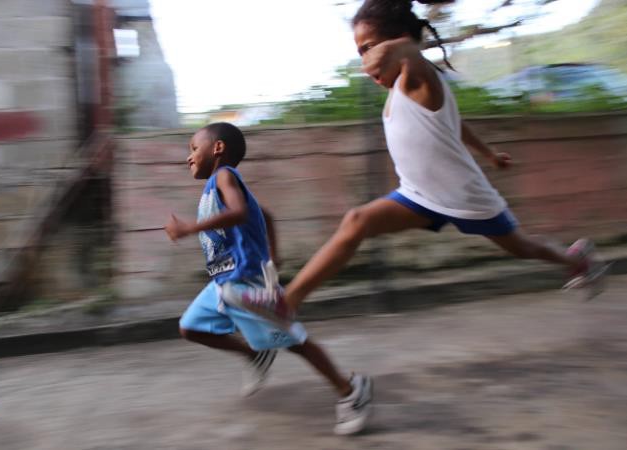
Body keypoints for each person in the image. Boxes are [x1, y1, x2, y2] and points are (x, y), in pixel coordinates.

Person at [221, 0, 609, 325]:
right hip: (419, 196)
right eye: (359, 52)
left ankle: (576, 259)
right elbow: (454, 126)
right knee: (356, 221)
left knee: (523, 248)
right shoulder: (402, 90)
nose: (366, 61)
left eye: (370, 48)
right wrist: (488, 153)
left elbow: (410, 53)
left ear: (398, 43)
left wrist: (399, 49)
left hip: (465, 196)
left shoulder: (419, 77)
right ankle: (285, 305)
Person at [165, 122, 373, 435]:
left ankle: (350, 390)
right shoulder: (217, 188)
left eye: (194, 148)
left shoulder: (224, 177)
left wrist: (189, 228)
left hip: (244, 282)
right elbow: (266, 216)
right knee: (190, 327)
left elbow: (240, 213)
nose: (189, 157)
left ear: (217, 148)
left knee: (294, 341)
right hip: (223, 283)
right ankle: (255, 355)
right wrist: (274, 257)